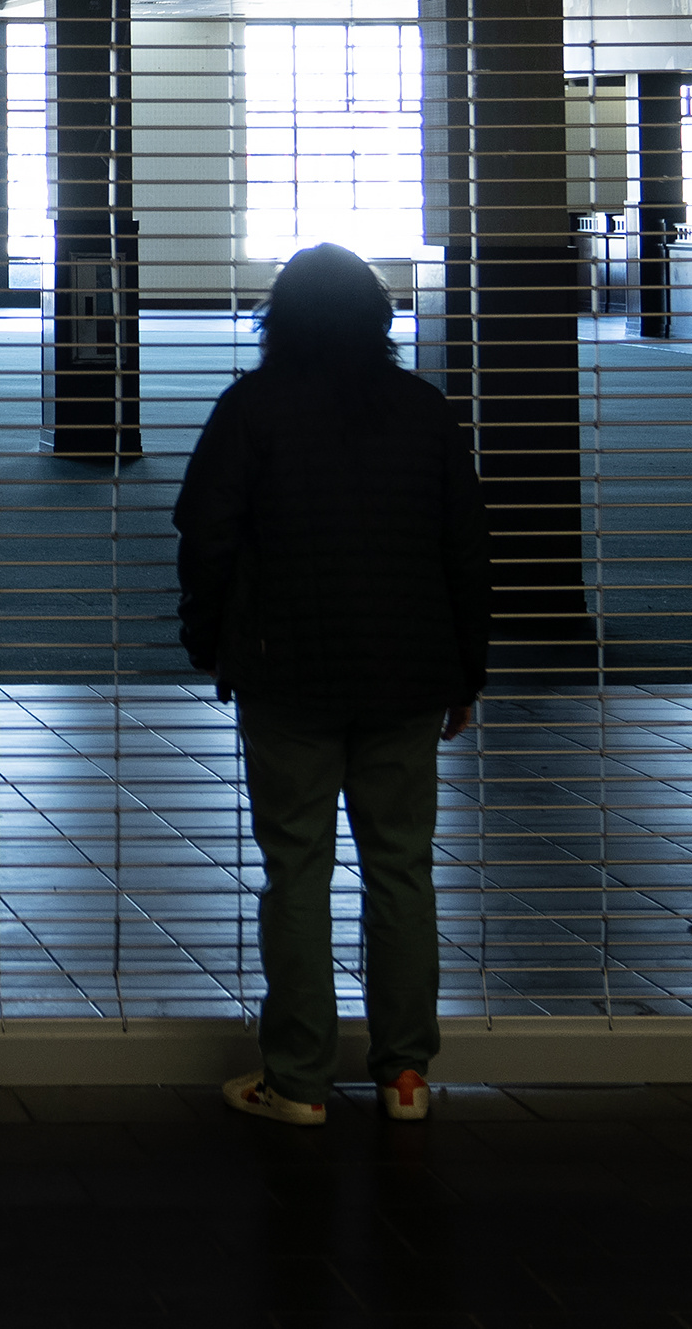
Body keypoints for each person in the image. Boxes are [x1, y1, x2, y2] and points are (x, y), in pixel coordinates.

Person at [174, 241, 493, 1128]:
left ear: (279, 319)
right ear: (379, 321)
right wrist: (468, 668)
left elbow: (205, 537)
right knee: (400, 870)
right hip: (408, 674)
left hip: (288, 675)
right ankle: (405, 1076)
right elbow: (467, 552)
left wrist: (212, 643)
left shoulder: (251, 409)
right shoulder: (423, 413)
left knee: (297, 870)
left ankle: (300, 1080)